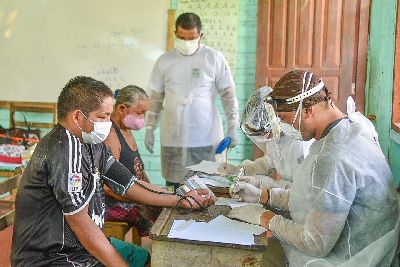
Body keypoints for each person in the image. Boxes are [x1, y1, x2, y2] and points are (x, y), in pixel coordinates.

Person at [11, 76, 214, 267]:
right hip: (52, 257)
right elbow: (82, 225)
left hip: (78, 247)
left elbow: (128, 183)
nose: (108, 123)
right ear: (76, 116)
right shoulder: (65, 150)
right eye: (102, 116)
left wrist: (180, 198)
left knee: (150, 260)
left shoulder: (93, 143)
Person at [228, 70, 400, 266]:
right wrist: (265, 196)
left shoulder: (335, 155)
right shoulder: (345, 129)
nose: (282, 126)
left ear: (308, 109)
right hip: (363, 243)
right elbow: (314, 197)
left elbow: (315, 242)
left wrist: (264, 217)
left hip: (353, 257)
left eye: (284, 118)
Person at [144, 12, 239, 190]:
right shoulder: (165, 61)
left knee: (206, 186)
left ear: (200, 35)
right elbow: (155, 98)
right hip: (173, 136)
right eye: (181, 37)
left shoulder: (213, 59)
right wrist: (149, 127)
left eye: (191, 38)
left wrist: (232, 127)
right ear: (175, 34)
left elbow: (228, 95)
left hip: (205, 135)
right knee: (174, 188)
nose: (186, 42)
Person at [218, 86, 313, 192]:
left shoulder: (301, 143)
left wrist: (265, 184)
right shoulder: (275, 138)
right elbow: (268, 163)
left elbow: (305, 193)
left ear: (274, 122)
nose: (263, 138)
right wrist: (240, 170)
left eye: (263, 133)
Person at [103, 85, 161, 244]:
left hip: (130, 195)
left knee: (165, 207)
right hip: (112, 201)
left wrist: (156, 192)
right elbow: (107, 186)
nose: (142, 117)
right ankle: (147, 259)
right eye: (140, 113)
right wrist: (141, 197)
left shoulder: (126, 131)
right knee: (149, 216)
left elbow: (139, 169)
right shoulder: (111, 135)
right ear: (122, 109)